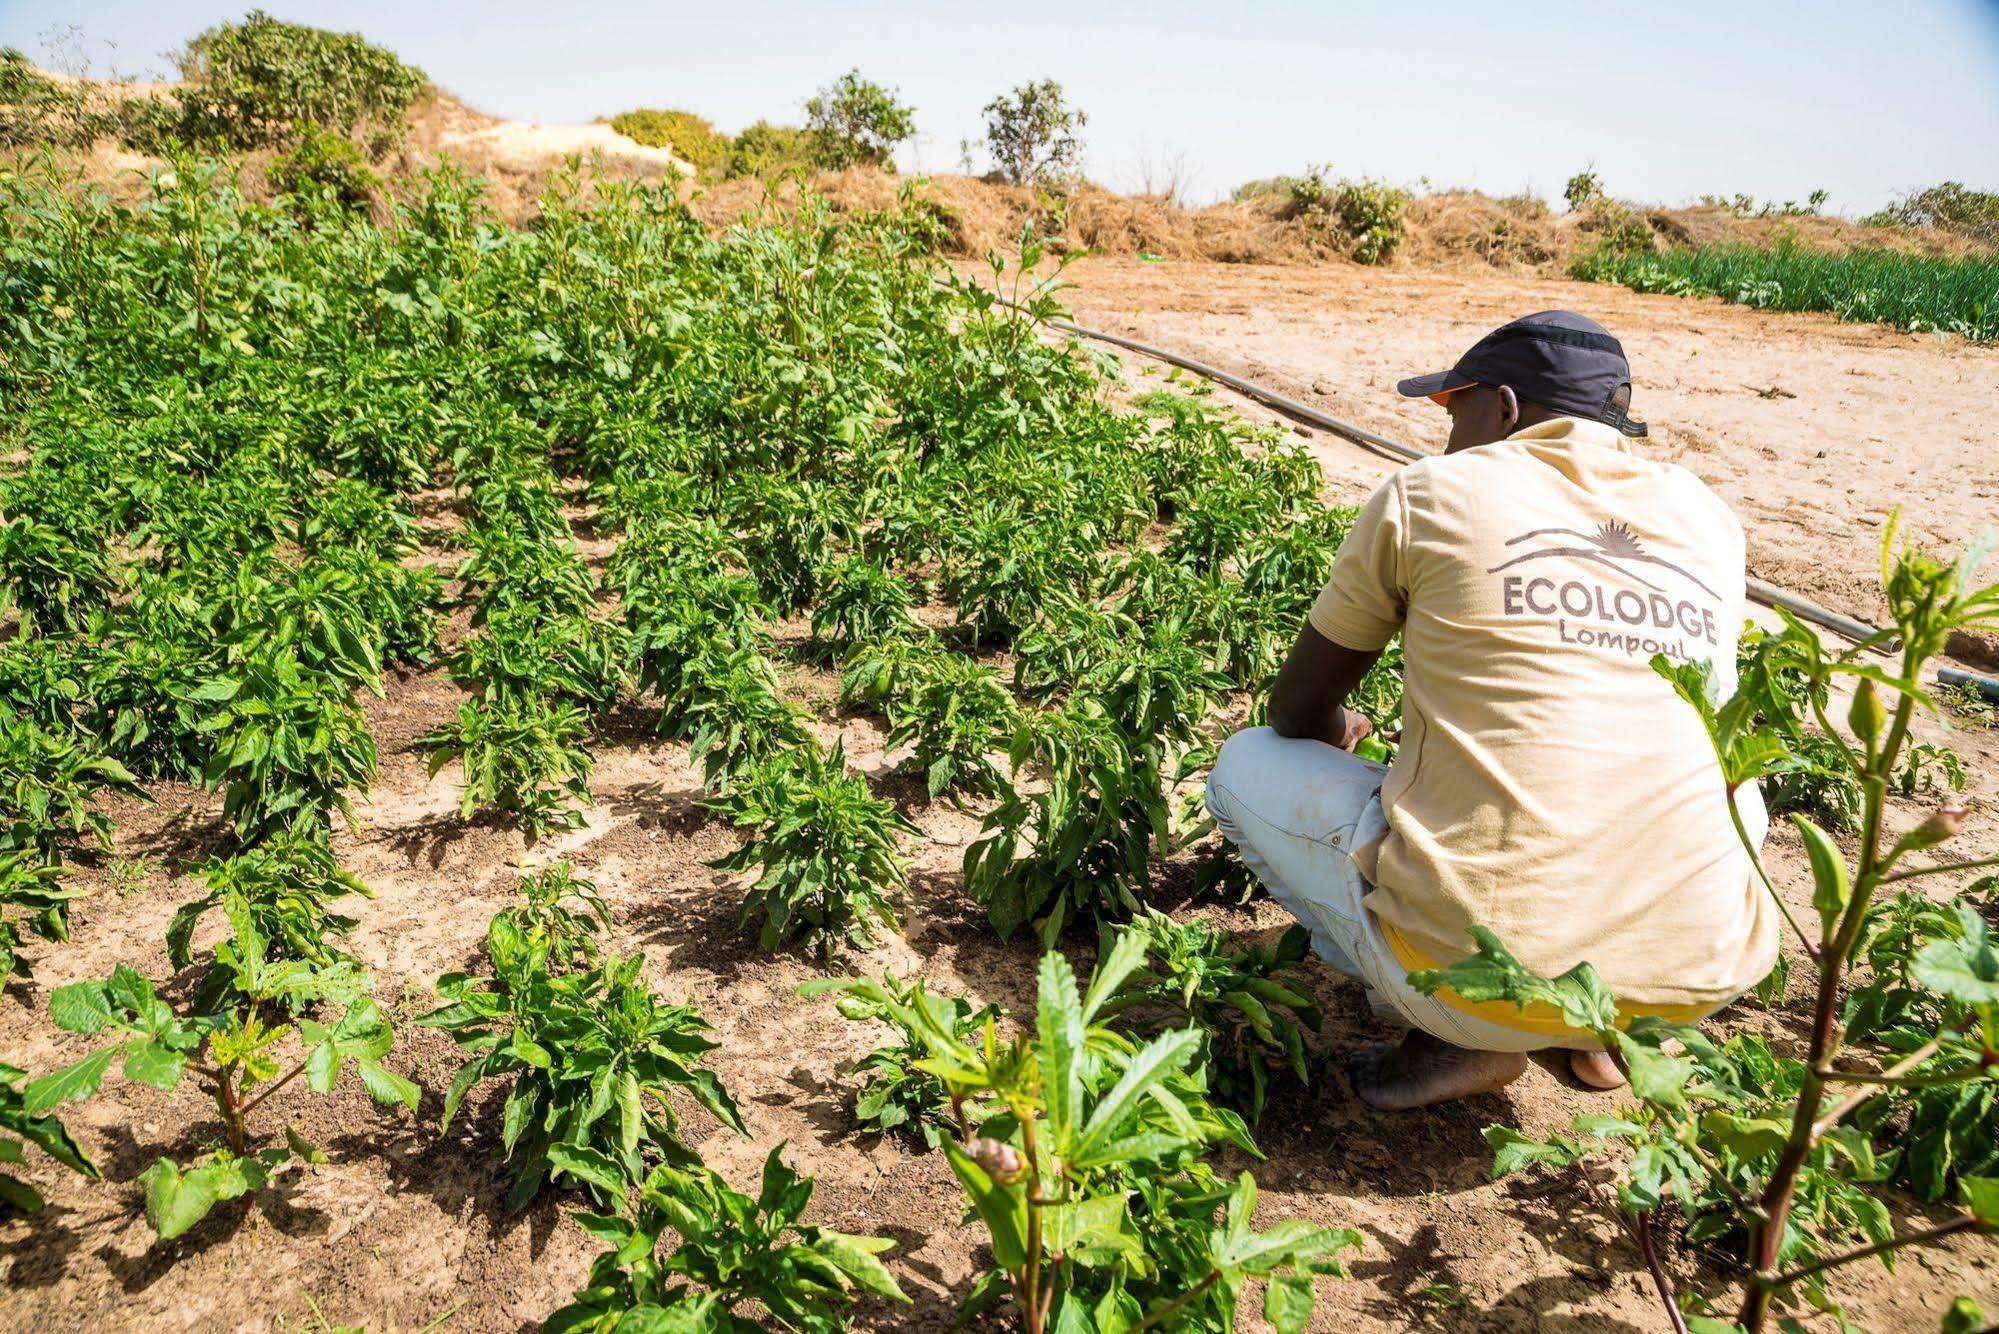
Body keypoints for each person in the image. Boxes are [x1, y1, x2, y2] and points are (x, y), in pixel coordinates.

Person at [1205, 310, 1777, 1110]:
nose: (1446, 432)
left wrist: (1347, 734)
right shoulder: (1707, 515)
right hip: (1700, 977)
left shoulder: (1433, 491)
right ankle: (1613, 1031)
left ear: (1502, 408)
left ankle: (1446, 1032)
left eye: (1453, 408)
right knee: (1725, 786)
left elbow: (1297, 708)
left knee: (1243, 763)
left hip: (1475, 984)